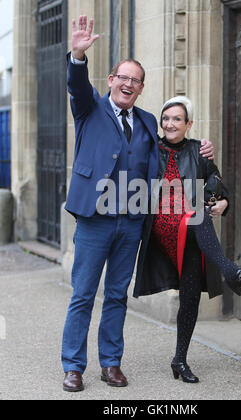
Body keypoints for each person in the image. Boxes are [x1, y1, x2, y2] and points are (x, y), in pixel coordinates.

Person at [61, 16, 214, 392]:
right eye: (122, 77)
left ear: (141, 88)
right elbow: (77, 85)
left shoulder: (147, 121)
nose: (128, 84)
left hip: (131, 222)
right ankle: (73, 366)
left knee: (116, 295)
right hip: (95, 219)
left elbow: (173, 149)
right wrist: (78, 54)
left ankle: (111, 363)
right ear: (111, 80)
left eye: (135, 80)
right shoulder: (89, 109)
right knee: (83, 294)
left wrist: (202, 150)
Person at [133, 96, 241, 383]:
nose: (169, 123)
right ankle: (231, 271)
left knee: (191, 296)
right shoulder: (150, 148)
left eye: (177, 119)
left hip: (192, 229)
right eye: (165, 118)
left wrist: (223, 204)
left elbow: (218, 187)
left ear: (188, 124)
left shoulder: (199, 152)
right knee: (196, 212)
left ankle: (179, 360)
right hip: (163, 222)